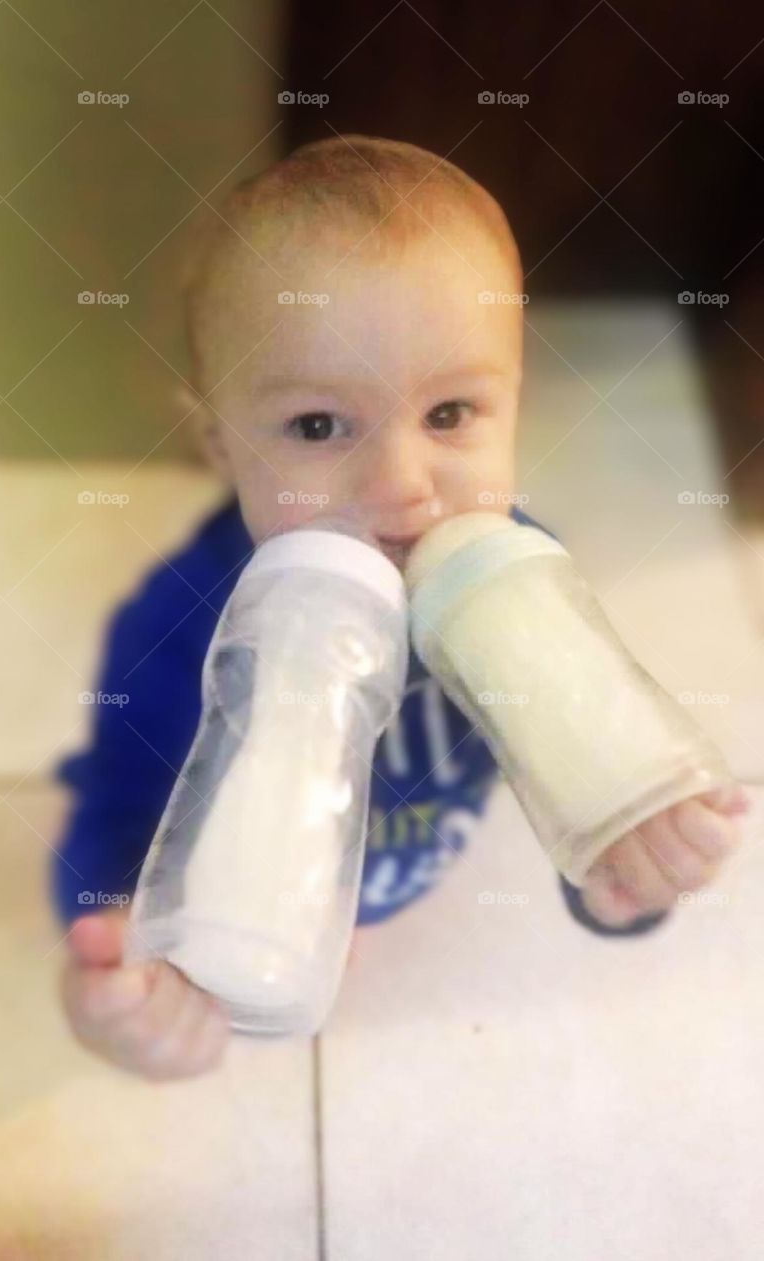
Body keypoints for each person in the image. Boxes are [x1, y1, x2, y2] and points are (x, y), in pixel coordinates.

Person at [54, 136, 749, 1081]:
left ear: (515, 403)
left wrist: (621, 867)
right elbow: (115, 816)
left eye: (451, 414)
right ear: (220, 445)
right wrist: (135, 964)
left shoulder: (518, 587)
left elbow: (566, 768)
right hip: (248, 916)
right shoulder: (172, 628)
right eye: (316, 426)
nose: (402, 491)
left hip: (406, 861)